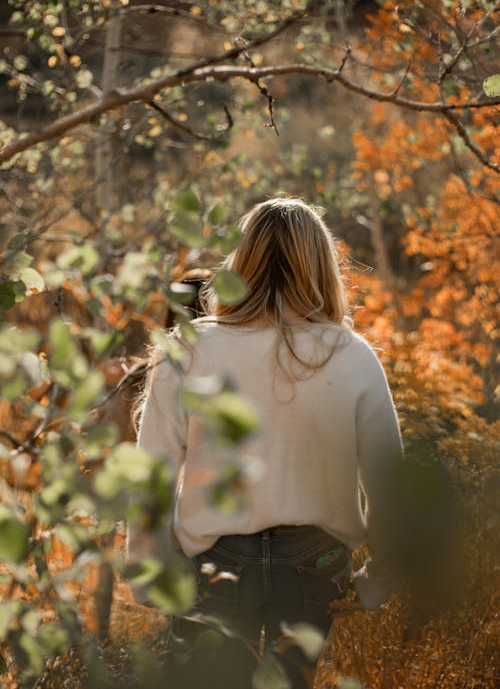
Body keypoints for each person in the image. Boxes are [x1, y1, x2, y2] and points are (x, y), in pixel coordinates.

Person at [128, 197, 404, 688]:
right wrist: (377, 579)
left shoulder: (189, 349)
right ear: (323, 265)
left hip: (214, 559)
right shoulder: (353, 355)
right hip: (314, 566)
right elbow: (388, 482)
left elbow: (152, 473)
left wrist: (149, 569)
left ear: (240, 261)